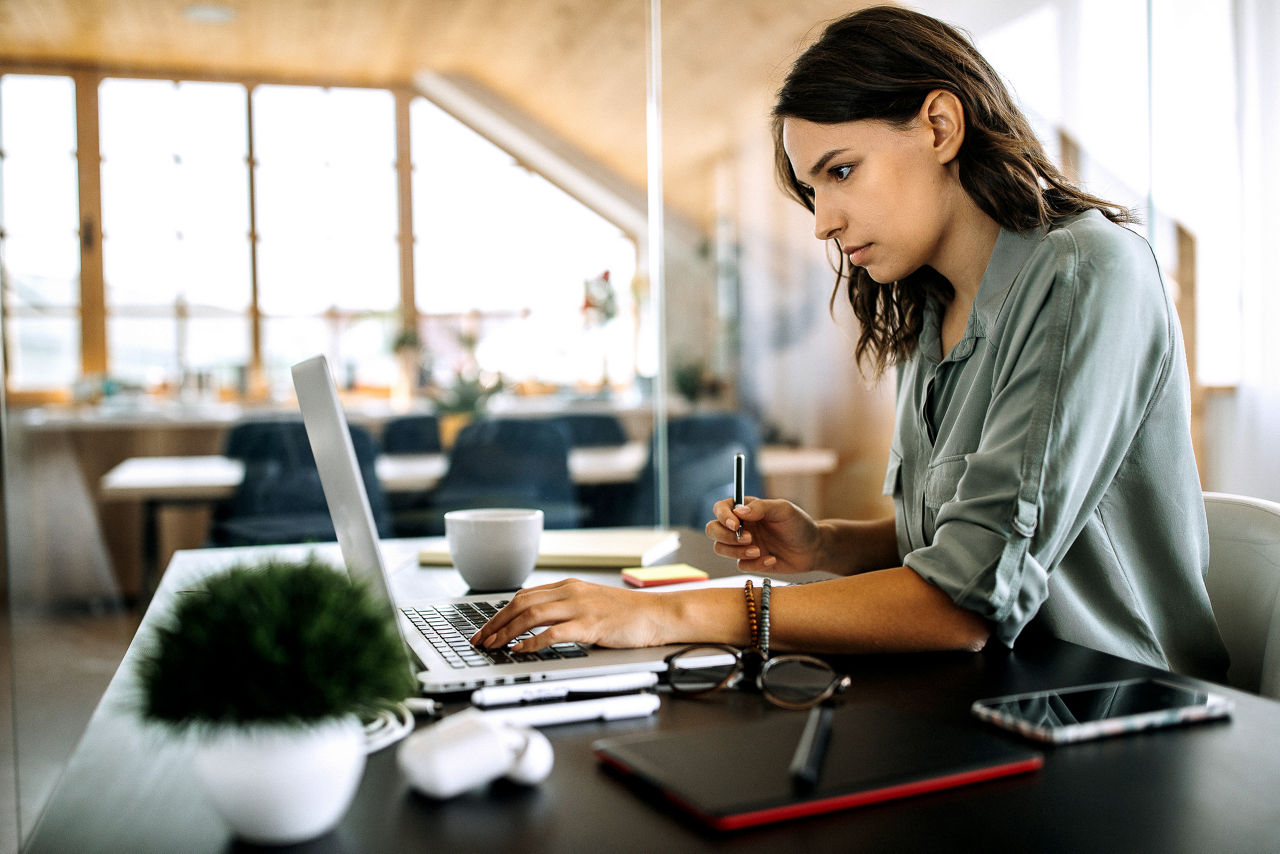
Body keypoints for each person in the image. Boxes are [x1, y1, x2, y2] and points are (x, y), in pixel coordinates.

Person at [472, 6, 1229, 681]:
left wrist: (674, 614)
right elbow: (946, 544)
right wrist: (824, 545)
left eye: (841, 172)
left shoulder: (1083, 271)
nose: (822, 222)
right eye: (812, 190)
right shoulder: (934, 303)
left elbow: (961, 607)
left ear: (940, 125)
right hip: (981, 692)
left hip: (1117, 707)